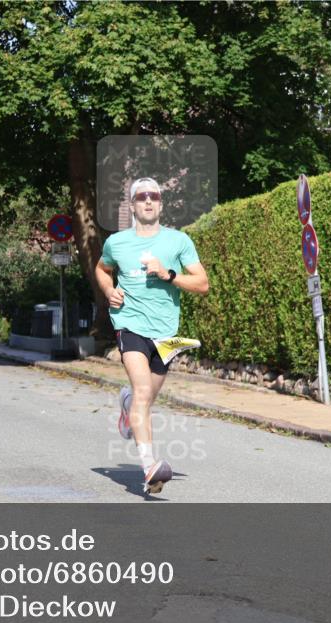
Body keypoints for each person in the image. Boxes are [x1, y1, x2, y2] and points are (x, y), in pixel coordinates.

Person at [95, 177, 209, 493]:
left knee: (145, 397)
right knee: (144, 390)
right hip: (129, 324)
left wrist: (168, 275)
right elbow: (101, 269)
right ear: (132, 205)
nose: (148, 201)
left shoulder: (179, 241)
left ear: (160, 203)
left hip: (165, 333)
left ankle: (126, 405)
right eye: (142, 196)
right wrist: (108, 290)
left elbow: (202, 284)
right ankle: (150, 467)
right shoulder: (116, 243)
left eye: (154, 196)